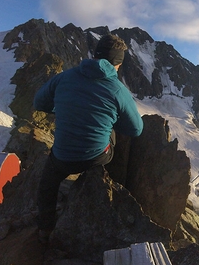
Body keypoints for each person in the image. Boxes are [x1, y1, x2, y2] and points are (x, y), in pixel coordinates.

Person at [34, 34, 143, 243]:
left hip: (62, 157)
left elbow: (39, 103)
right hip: (95, 158)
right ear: (118, 64)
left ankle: (45, 228)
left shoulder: (64, 77)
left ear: (94, 55)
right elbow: (136, 129)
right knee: (110, 131)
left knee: (48, 183)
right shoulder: (118, 89)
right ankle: (105, 185)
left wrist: (63, 108)